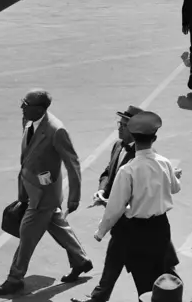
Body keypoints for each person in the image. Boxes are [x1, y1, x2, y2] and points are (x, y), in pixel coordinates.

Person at [72, 105, 179, 302]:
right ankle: (98, 298)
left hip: (135, 227)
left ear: (134, 131)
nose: (119, 128)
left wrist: (100, 231)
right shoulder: (161, 161)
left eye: (123, 125)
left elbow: (115, 206)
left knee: (149, 277)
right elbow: (174, 188)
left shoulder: (130, 169)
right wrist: (103, 189)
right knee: (114, 261)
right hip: (151, 227)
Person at [0, 90, 92, 297]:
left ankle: (15, 278)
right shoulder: (28, 121)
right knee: (56, 224)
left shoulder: (56, 131)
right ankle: (81, 260)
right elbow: (28, 155)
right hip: (30, 187)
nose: (21, 107)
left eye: (25, 104)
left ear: (39, 109)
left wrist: (74, 197)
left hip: (43, 196)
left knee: (27, 234)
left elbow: (72, 163)